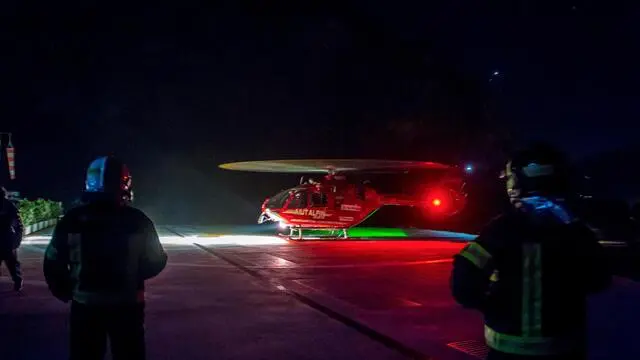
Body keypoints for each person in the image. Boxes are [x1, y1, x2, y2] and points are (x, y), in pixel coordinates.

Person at [450, 144, 612, 360]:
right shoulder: (575, 232)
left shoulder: (501, 230)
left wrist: (493, 307)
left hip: (507, 352)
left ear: (520, 182)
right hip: (565, 349)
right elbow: (599, 280)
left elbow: (463, 284)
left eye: (509, 178)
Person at [43, 156, 167, 360]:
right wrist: (135, 275)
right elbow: (157, 260)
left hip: (85, 306)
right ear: (125, 184)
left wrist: (64, 290)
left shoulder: (72, 220)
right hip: (127, 307)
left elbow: (53, 260)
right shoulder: (138, 221)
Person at [0, 186, 23, 291]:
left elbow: (17, 223)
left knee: (12, 262)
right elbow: (18, 223)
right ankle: (17, 281)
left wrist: (17, 238)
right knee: (12, 263)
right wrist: (18, 238)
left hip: (6, 239)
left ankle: (17, 281)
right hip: (7, 239)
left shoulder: (8, 206)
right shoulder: (9, 205)